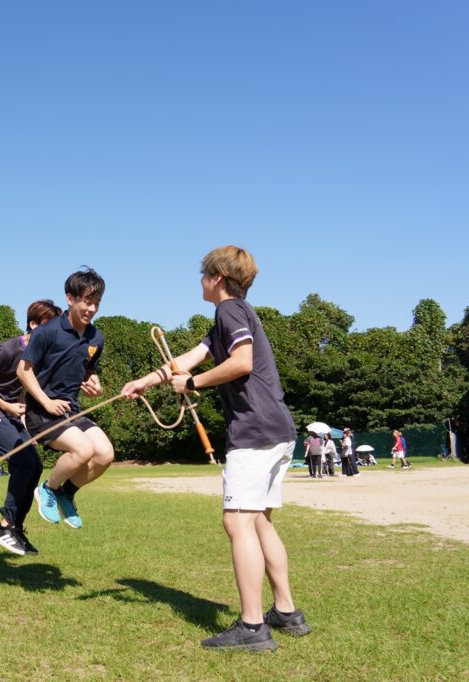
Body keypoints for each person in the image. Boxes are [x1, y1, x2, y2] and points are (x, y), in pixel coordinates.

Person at [122, 245, 310, 652]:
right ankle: (287, 612)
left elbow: (240, 363)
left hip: (255, 430)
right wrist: (145, 382)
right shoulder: (232, 316)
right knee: (260, 521)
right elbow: (189, 358)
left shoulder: (230, 311)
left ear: (218, 278)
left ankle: (252, 627)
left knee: (237, 522)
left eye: (203, 274)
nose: (200, 281)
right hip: (276, 428)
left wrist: (192, 384)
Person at [18, 269, 113, 530]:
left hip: (71, 411)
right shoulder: (46, 332)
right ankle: (48, 489)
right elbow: (22, 370)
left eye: (96, 303)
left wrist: (94, 382)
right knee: (83, 450)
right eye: (86, 301)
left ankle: (66, 492)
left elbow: (87, 370)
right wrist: (46, 402)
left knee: (105, 454)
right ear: (70, 299)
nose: (92, 308)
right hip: (41, 412)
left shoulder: (97, 338)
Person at [0, 299, 61, 556]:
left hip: (10, 414)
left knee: (35, 466)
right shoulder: (9, 349)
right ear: (33, 324)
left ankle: (15, 529)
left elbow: (21, 390)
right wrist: (7, 407)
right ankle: (4, 525)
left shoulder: (37, 356)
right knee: (23, 462)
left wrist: (23, 423)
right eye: (49, 326)